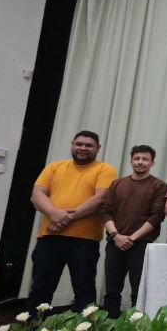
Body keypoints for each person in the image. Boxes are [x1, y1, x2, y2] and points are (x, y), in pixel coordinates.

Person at [28, 130, 117, 314]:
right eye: (79, 144)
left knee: (84, 291)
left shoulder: (105, 169)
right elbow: (37, 195)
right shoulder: (55, 167)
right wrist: (54, 213)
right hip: (49, 236)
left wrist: (63, 218)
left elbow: (100, 199)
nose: (83, 148)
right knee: (40, 288)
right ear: (72, 144)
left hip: (84, 241)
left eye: (88, 145)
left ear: (98, 148)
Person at [99, 145, 166, 317]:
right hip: (115, 243)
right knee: (112, 290)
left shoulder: (158, 185)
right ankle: (109, 325)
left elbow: (156, 216)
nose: (140, 162)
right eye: (137, 159)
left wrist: (132, 238)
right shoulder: (117, 184)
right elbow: (105, 211)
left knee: (139, 289)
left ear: (152, 163)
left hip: (142, 245)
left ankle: (136, 329)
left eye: (145, 159)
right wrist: (116, 235)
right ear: (131, 161)